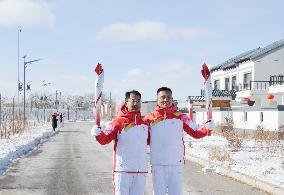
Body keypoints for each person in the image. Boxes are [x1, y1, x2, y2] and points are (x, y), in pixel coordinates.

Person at [144, 87, 215, 195]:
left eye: (168, 97)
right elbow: (143, 139)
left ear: (172, 99)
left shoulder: (181, 117)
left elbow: (195, 132)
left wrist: (207, 129)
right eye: (163, 97)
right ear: (157, 99)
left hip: (176, 163)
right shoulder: (149, 119)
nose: (166, 100)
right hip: (157, 164)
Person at [91, 90, 149, 195]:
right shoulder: (118, 122)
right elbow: (105, 139)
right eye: (133, 101)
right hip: (123, 171)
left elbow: (152, 141)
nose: (136, 103)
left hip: (140, 172)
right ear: (126, 102)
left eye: (138, 101)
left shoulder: (145, 124)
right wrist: (98, 134)